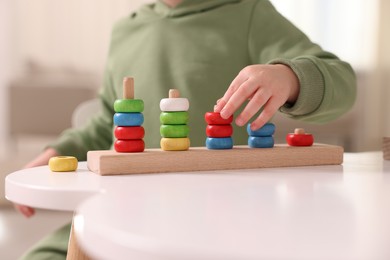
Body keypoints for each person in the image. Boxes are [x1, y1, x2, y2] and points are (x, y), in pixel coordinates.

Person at [17, 0, 356, 258]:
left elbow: (342, 81)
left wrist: (291, 76)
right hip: (120, 210)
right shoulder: (126, 31)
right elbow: (110, 121)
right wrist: (59, 151)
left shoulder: (248, 13)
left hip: (220, 220)